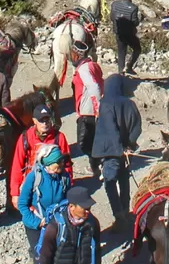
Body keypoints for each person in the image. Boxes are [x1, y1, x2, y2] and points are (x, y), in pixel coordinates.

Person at [90, 74, 140, 231]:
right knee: (124, 180)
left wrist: (119, 149)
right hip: (126, 152)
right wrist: (129, 146)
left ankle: (119, 216)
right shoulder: (130, 103)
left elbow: (111, 130)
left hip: (111, 152)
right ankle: (125, 211)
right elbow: (137, 127)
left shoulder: (106, 104)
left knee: (110, 183)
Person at [17, 147, 71, 264]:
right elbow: (22, 204)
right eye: (58, 163)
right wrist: (37, 222)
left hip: (56, 225)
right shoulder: (34, 177)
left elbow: (68, 200)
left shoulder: (64, 177)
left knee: (56, 257)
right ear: (49, 164)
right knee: (41, 258)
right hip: (36, 226)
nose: (62, 165)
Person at [9, 103, 73, 206]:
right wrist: (15, 194)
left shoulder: (59, 138)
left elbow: (67, 166)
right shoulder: (25, 137)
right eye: (41, 120)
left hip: (55, 185)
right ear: (34, 121)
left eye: (47, 119)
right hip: (31, 184)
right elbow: (17, 165)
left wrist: (69, 189)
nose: (45, 123)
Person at [35, 185, 100, 264]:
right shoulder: (54, 227)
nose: (88, 211)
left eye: (89, 207)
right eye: (85, 207)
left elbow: (96, 252)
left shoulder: (93, 224)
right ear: (71, 207)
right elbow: (45, 261)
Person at [69, 48, 104, 179]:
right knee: (93, 140)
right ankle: (95, 166)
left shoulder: (83, 69)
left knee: (83, 144)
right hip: (88, 110)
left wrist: (97, 108)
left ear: (76, 55)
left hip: (87, 111)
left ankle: (99, 162)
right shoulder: (93, 65)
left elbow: (94, 87)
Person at [109, 0, 141, 76]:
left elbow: (112, 17)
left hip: (118, 33)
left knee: (121, 51)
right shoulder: (134, 8)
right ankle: (129, 66)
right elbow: (135, 22)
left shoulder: (114, 4)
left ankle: (120, 73)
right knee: (137, 49)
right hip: (129, 34)